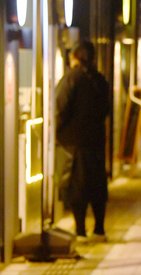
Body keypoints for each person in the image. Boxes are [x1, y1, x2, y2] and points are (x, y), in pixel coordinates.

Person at [55, 41, 110, 243]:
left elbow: (60, 109)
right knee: (97, 185)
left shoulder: (70, 79)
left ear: (74, 57)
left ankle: (80, 231)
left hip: (74, 144)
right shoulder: (100, 80)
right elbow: (106, 109)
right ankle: (99, 229)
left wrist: (57, 131)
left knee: (77, 187)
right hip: (96, 141)